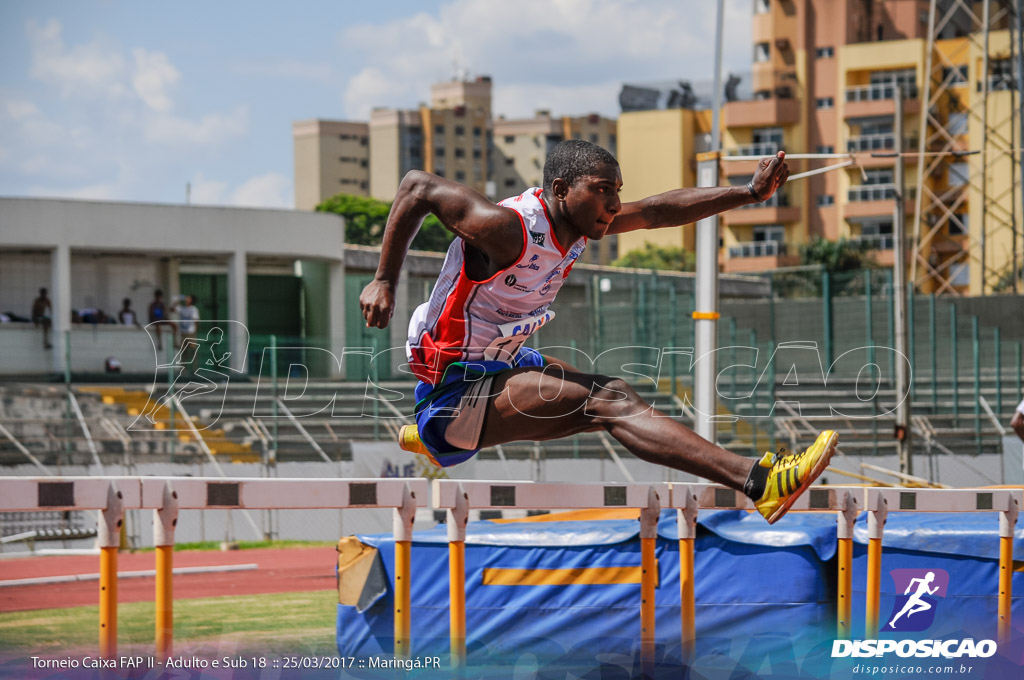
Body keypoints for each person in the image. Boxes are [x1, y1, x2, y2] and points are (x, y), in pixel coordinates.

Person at [360, 141, 836, 524]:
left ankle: (427, 438)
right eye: (603, 190)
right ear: (562, 189)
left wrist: (747, 194)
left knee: (592, 394)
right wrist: (383, 279)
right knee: (610, 397)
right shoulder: (506, 229)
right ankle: (759, 481)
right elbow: (416, 186)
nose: (614, 204)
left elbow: (655, 211)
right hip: (455, 392)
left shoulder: (581, 227)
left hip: (497, 367)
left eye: (618, 191)